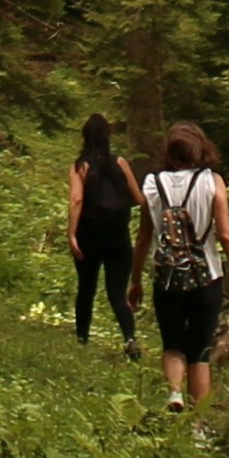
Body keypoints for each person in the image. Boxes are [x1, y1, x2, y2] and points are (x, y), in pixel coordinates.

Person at [136, 121, 229, 413]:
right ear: (200, 149)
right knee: (201, 350)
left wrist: (135, 280)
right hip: (207, 276)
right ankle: (197, 425)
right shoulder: (212, 181)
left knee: (172, 342)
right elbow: (226, 234)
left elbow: (143, 239)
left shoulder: (152, 184)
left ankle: (174, 392)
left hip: (166, 277)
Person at [62, 117, 142, 348]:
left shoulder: (80, 166)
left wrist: (72, 233)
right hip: (119, 237)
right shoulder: (120, 163)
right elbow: (138, 198)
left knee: (86, 289)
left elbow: (77, 199)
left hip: (90, 236)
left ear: (85, 137)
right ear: (108, 137)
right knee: (117, 293)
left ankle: (82, 340)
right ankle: (129, 338)